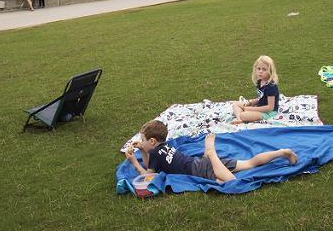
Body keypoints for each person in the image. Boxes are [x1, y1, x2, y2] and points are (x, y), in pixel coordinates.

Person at [125, 120, 298, 183]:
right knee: (250, 163)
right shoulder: (164, 147)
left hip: (199, 169)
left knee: (229, 181)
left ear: (152, 141)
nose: (141, 142)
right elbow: (151, 165)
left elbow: (148, 176)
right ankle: (281, 152)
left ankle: (211, 152)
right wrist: (142, 151)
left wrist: (134, 162)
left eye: (143, 140)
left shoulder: (155, 153)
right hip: (201, 163)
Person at [231, 55, 280, 124]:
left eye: (264, 69)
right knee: (235, 104)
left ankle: (241, 117)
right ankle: (240, 119)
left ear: (270, 71)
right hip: (259, 107)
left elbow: (270, 107)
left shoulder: (271, 86)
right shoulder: (260, 82)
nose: (260, 71)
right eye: (258, 69)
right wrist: (251, 103)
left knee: (243, 114)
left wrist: (252, 109)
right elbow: (261, 98)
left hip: (268, 112)